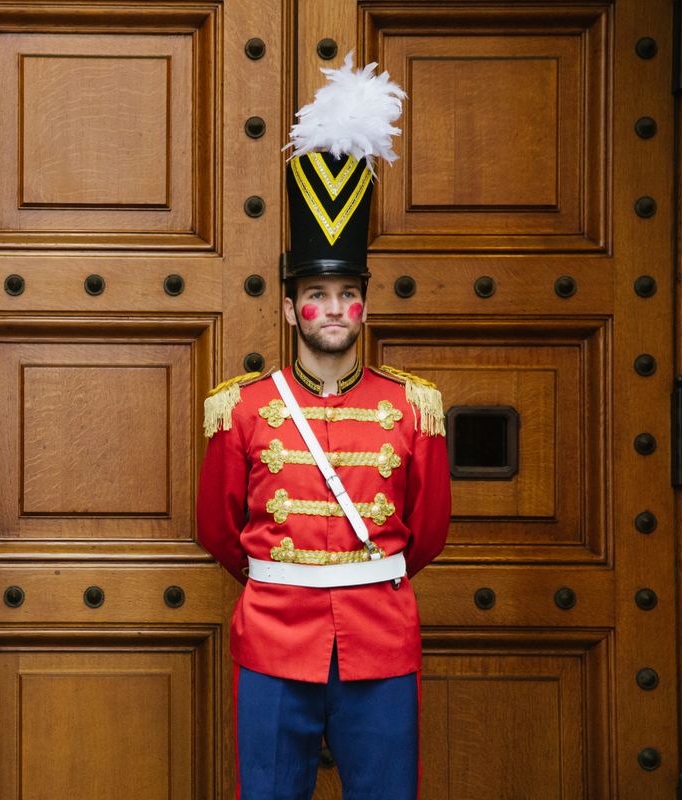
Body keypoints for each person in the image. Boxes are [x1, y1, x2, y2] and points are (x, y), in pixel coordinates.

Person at [197, 53, 450, 799]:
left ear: (365, 306)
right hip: (274, 641)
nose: (333, 310)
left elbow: (427, 532)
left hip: (382, 641)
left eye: (346, 295)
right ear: (288, 308)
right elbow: (220, 530)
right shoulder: (237, 408)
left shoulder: (413, 407)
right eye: (316, 295)